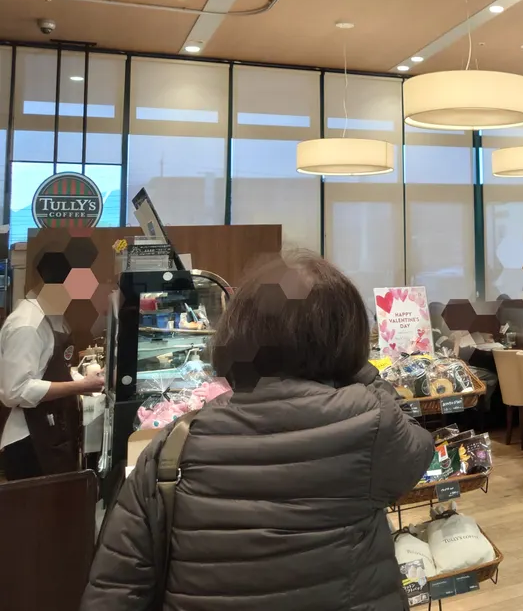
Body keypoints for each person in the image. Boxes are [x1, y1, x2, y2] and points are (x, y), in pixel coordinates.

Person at [81, 253, 435, 611]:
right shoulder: (372, 422)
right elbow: (417, 446)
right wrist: (359, 370)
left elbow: (115, 589)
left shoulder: (174, 445)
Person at [0, 293, 105, 480]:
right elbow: (16, 391)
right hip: (31, 443)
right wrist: (81, 386)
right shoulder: (27, 325)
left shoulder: (52, 316)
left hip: (53, 432)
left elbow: (52, 369)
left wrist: (82, 380)